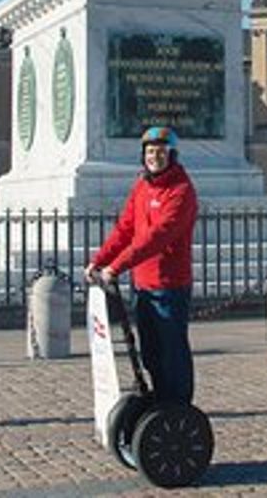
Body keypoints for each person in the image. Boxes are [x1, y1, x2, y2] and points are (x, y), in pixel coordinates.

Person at [86, 126, 197, 404]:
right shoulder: (142, 186)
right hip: (142, 284)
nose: (154, 157)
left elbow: (155, 238)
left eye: (160, 152)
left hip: (169, 286)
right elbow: (125, 229)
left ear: (171, 155)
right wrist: (99, 261)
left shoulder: (181, 191)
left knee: (172, 352)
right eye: (149, 152)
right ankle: (161, 401)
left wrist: (116, 267)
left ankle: (178, 405)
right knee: (149, 351)